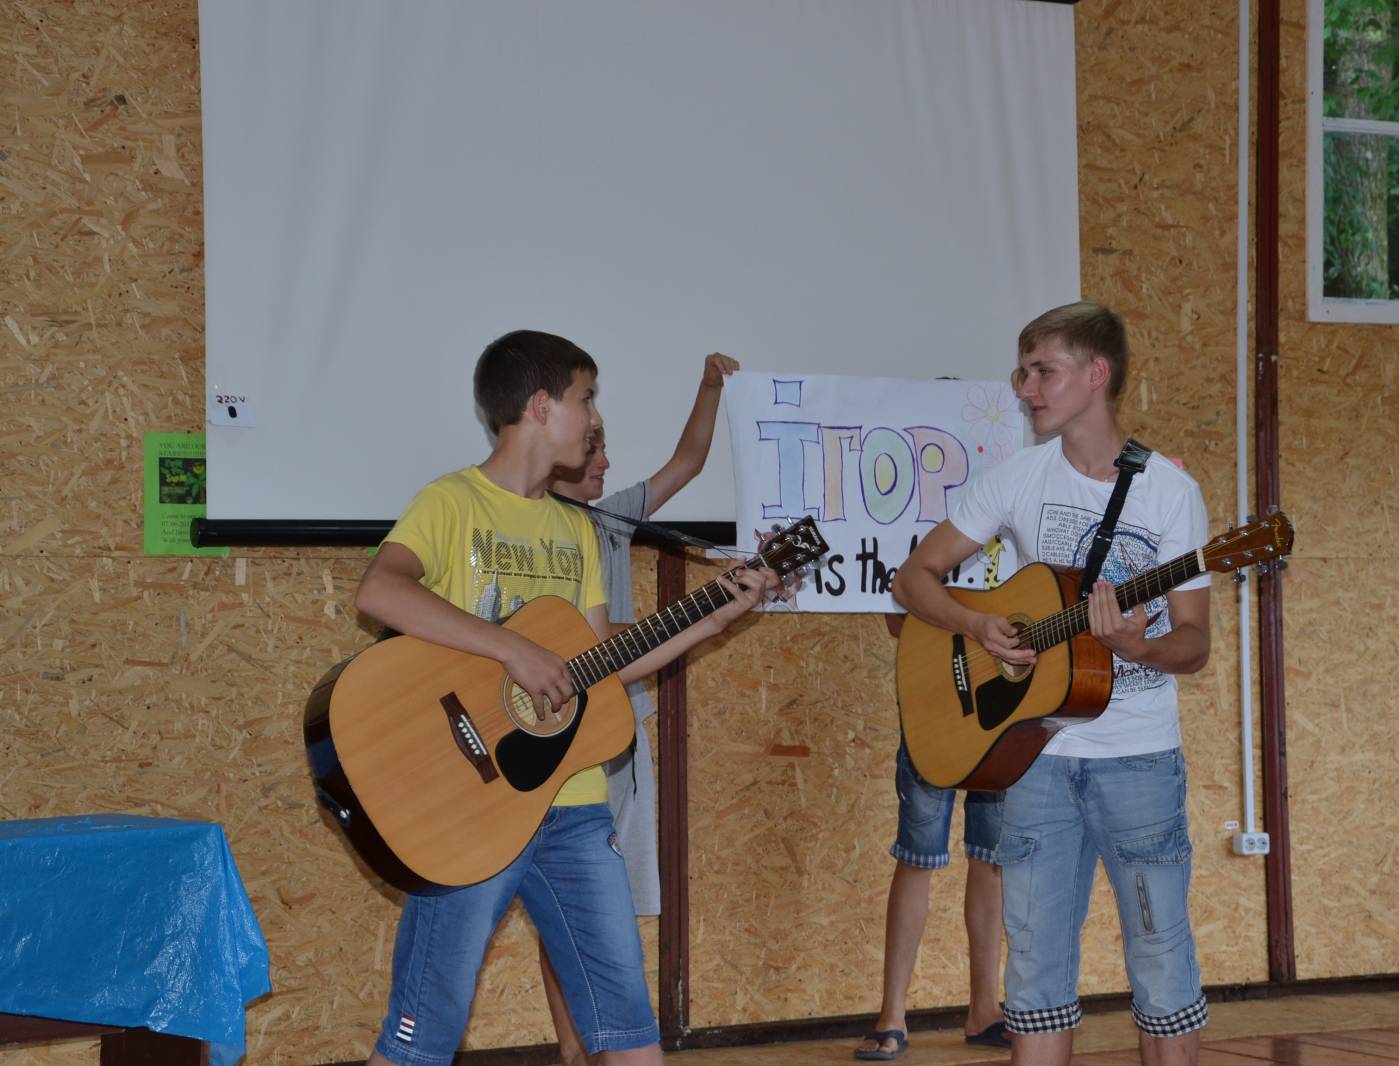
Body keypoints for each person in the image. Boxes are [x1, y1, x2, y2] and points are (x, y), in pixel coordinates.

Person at [352, 330, 777, 1066]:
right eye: (587, 398)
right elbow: (380, 591)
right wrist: (512, 649)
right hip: (468, 809)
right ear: (543, 407)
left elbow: (601, 658)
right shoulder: (451, 502)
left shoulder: (575, 529)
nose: (595, 417)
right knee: (423, 1038)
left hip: (574, 806)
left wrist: (715, 615)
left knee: (631, 1028)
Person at [891, 302, 1211, 1066]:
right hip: (1033, 758)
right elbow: (913, 577)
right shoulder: (1017, 478)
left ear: (1096, 374)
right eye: (1023, 370)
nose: (1025, 387)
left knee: (1161, 959)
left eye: (1043, 371)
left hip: (1139, 761)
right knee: (1034, 972)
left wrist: (1138, 645)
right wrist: (976, 626)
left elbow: (1195, 643)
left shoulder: (1170, 492)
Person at [537, 352, 740, 1066]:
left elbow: (688, 461)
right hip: (554, 737)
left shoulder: (614, 519)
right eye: (592, 447)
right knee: (562, 906)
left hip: (622, 734)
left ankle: (612, 1045)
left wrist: (709, 388)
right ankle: (574, 1050)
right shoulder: (534, 526)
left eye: (602, 447)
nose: (603, 460)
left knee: (609, 903)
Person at [854, 615, 1008, 1062]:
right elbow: (895, 620)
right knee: (917, 854)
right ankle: (892, 1015)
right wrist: (975, 623)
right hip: (935, 690)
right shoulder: (927, 560)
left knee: (991, 857)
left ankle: (985, 1011)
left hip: (1005, 698)